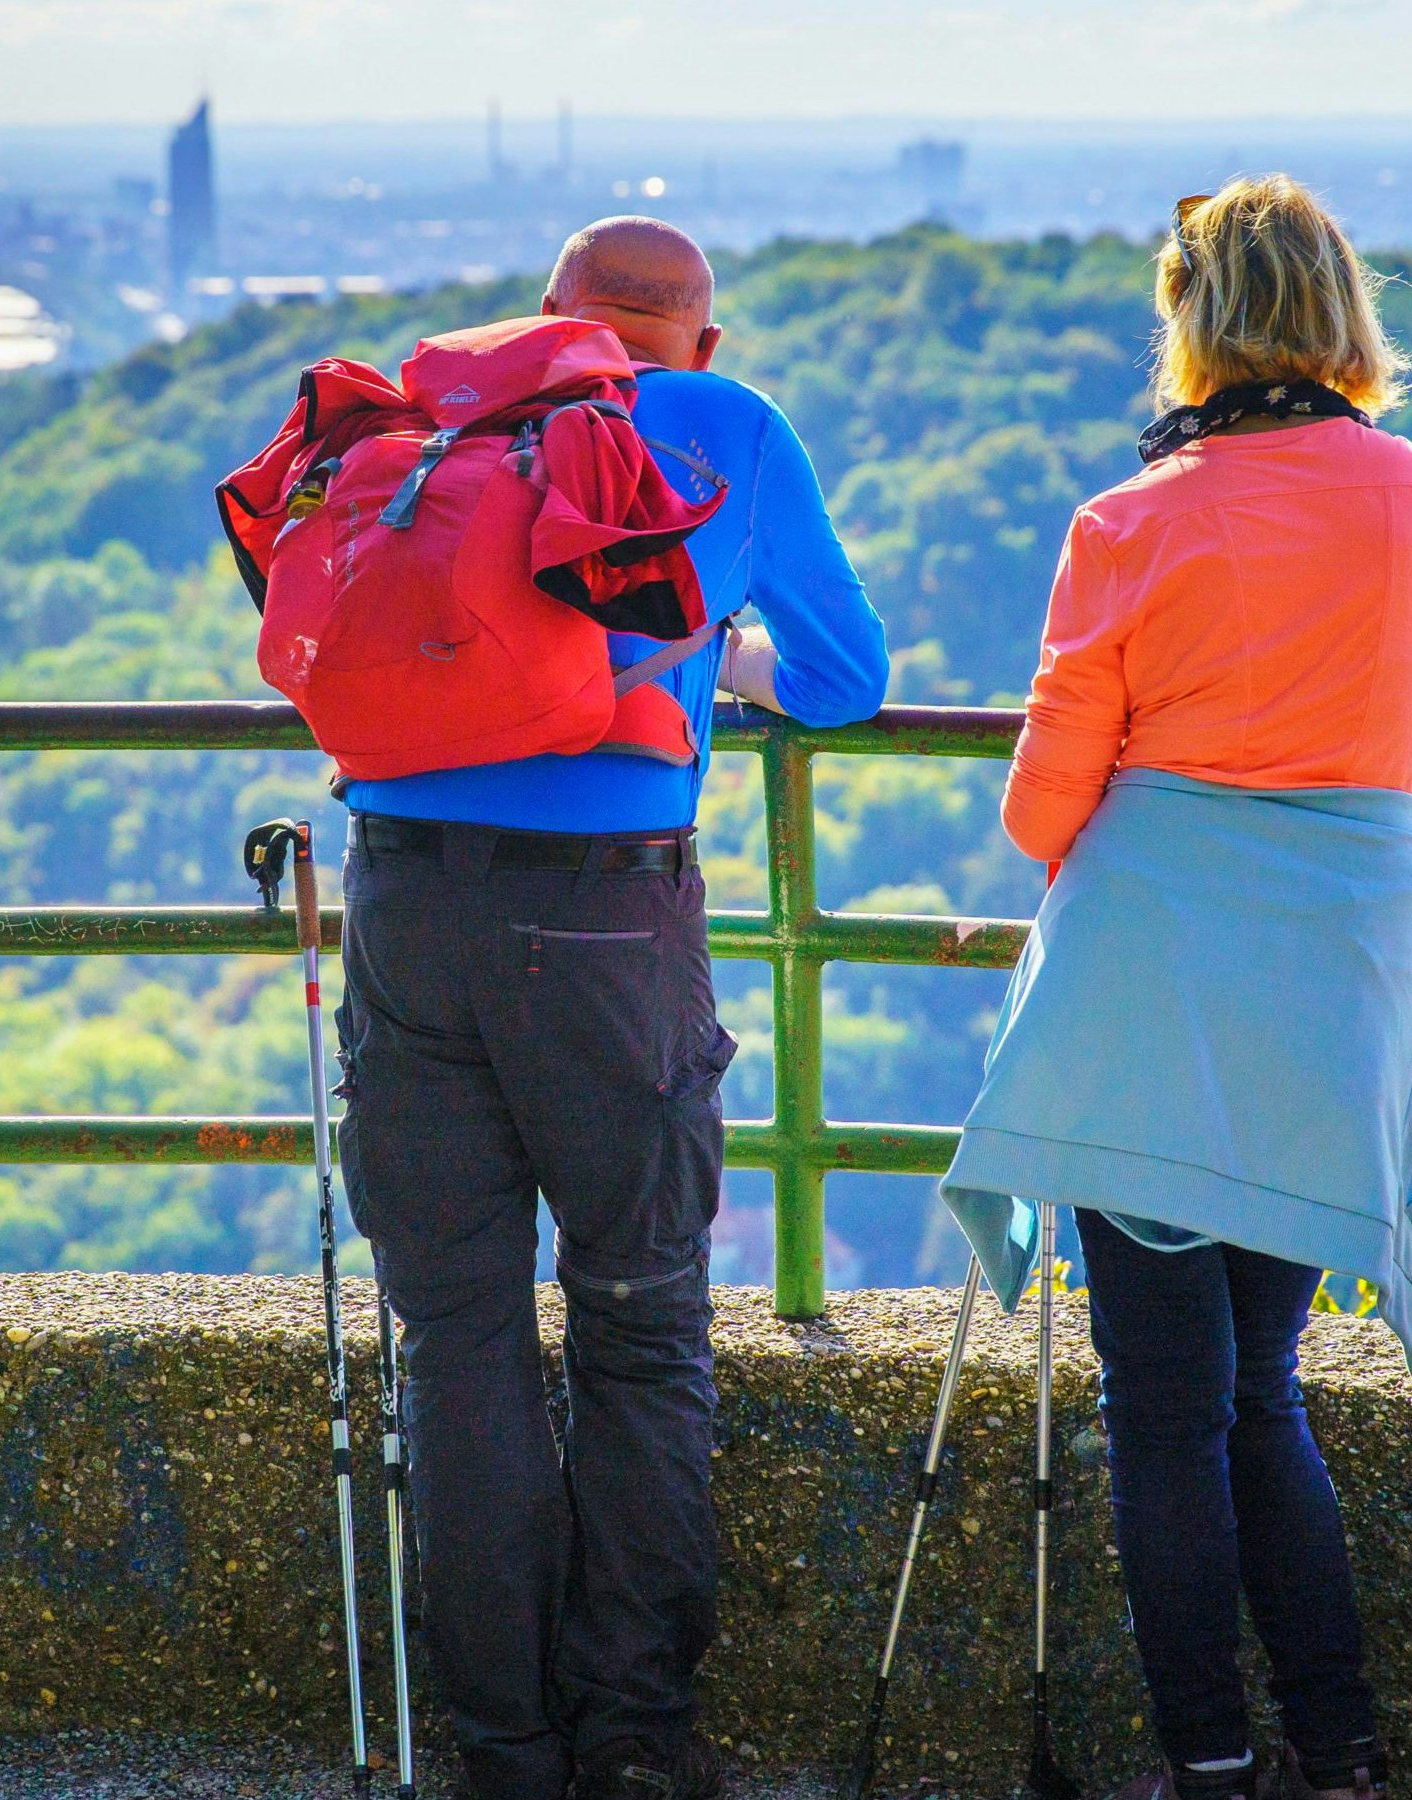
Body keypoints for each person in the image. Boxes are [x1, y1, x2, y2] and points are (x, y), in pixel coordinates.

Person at [937, 176, 1412, 1800]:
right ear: (1345, 312)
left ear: (1190, 320)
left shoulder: (1130, 523)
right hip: (1340, 973)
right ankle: (1341, 1754)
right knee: (1265, 1391)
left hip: (1150, 987)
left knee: (1163, 1409)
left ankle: (1206, 1762)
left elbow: (1044, 805)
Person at [334, 217, 891, 1800]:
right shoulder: (729, 426)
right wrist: (715, 664)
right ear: (696, 344)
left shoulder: (455, 421)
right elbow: (849, 672)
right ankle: (634, 1742)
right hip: (604, 920)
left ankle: (504, 1748)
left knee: (459, 1342)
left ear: (552, 318)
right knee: (642, 1327)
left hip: (403, 894)